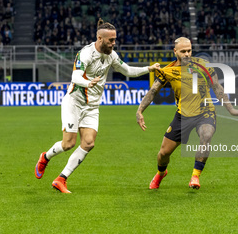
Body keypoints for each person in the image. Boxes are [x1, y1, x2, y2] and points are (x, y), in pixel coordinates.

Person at [35, 18, 160, 193]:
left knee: (88, 143)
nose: (114, 43)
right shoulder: (85, 53)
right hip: (75, 102)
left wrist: (149, 68)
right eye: (111, 40)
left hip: (92, 106)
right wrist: (88, 83)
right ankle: (45, 157)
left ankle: (61, 179)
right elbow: (75, 76)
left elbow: (128, 70)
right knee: (68, 143)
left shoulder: (112, 55)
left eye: (115, 39)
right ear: (100, 39)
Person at [136, 37, 238, 190]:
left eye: (189, 50)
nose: (187, 54)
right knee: (163, 154)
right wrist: (140, 110)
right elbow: (153, 91)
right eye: (183, 51)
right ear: (175, 52)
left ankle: (195, 175)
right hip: (183, 116)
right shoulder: (167, 71)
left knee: (206, 135)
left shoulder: (203, 66)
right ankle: (161, 173)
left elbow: (217, 87)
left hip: (205, 112)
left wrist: (231, 109)